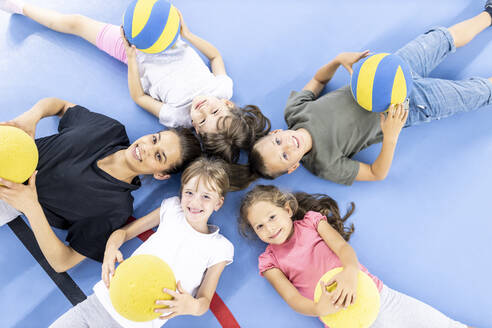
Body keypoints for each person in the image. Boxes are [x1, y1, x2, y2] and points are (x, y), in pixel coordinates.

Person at [247, 4, 492, 185]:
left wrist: (337, 60)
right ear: (293, 167)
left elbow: (319, 79)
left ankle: (488, 14)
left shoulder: (294, 111)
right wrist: (391, 135)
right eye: (285, 155)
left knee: (440, 38)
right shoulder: (325, 164)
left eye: (278, 141)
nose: (288, 144)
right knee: (475, 93)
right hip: (406, 107)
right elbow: (377, 173)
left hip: (391, 71)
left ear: (276, 132)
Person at [0, 0, 271, 163]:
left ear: (196, 131)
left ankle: (22, 7)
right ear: (226, 102)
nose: (201, 109)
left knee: (77, 23)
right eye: (213, 110)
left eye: (200, 120)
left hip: (134, 51)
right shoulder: (222, 87)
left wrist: (131, 56)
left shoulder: (177, 116)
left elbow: (140, 97)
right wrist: (186, 33)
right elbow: (214, 55)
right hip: (165, 35)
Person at [0, 97, 201, 272]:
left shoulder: (116, 208)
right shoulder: (110, 130)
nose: (146, 148)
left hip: (6, 197)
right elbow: (59, 105)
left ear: (161, 174)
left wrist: (31, 206)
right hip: (7, 148)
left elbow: (63, 261)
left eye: (158, 156)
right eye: (154, 139)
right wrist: (31, 117)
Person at [238, 184, 473, 328]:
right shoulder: (270, 261)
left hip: (381, 299)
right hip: (346, 322)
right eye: (259, 226)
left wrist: (351, 272)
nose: (269, 228)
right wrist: (319, 309)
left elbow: (343, 249)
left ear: (287, 210)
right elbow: (293, 300)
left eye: (272, 217)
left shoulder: (311, 223)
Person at [49, 157, 234, 328]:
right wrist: (110, 249)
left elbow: (203, 302)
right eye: (189, 192)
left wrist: (189, 305)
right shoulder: (172, 208)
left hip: (137, 324)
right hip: (99, 304)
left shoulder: (220, 248)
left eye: (206, 196)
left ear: (218, 203)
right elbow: (123, 233)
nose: (195, 202)